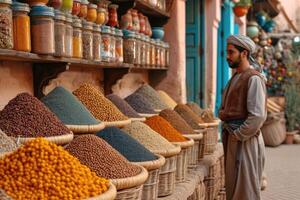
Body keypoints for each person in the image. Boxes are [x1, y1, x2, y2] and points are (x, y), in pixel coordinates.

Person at [218, 34, 266, 200]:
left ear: (244, 53)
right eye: (228, 52)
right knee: (233, 188)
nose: (228, 56)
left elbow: (258, 116)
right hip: (233, 138)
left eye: (231, 52)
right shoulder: (235, 78)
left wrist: (238, 135)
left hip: (246, 141)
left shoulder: (253, 78)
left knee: (246, 191)